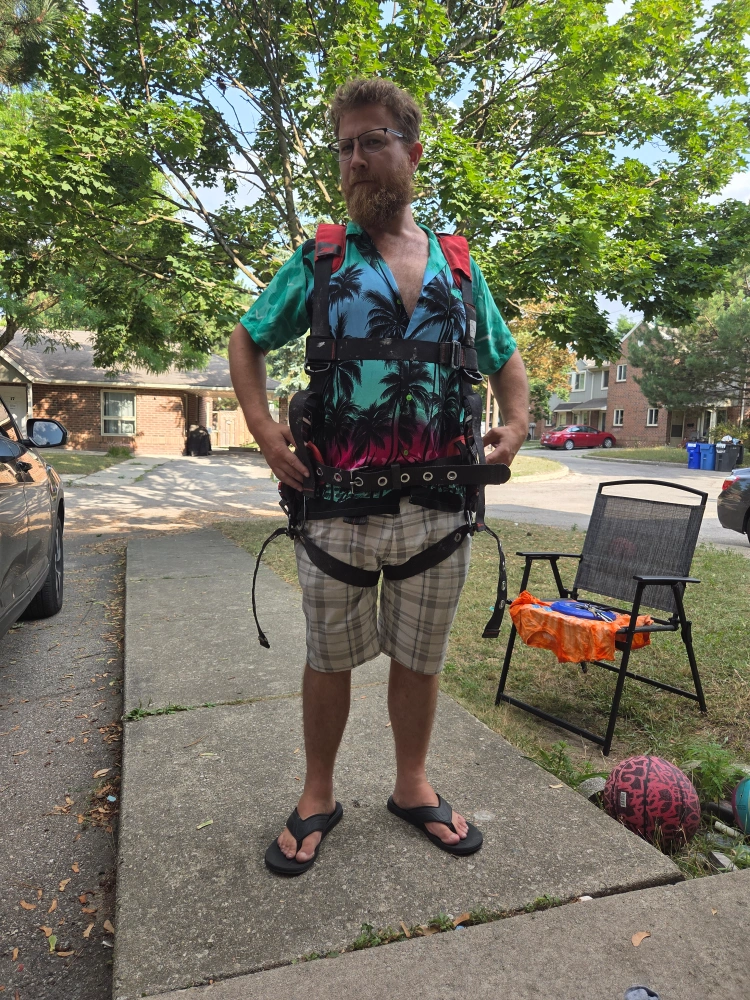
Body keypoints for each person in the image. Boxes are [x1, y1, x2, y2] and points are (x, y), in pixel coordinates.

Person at [228, 77, 529, 876]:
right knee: (329, 657)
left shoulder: (458, 267)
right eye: (344, 148)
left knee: (420, 657)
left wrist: (517, 422)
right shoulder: (321, 259)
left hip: (441, 508)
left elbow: (505, 357)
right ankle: (318, 793)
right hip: (335, 507)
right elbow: (248, 337)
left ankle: (412, 785)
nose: (354, 160)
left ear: (412, 151)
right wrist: (261, 428)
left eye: (371, 141)